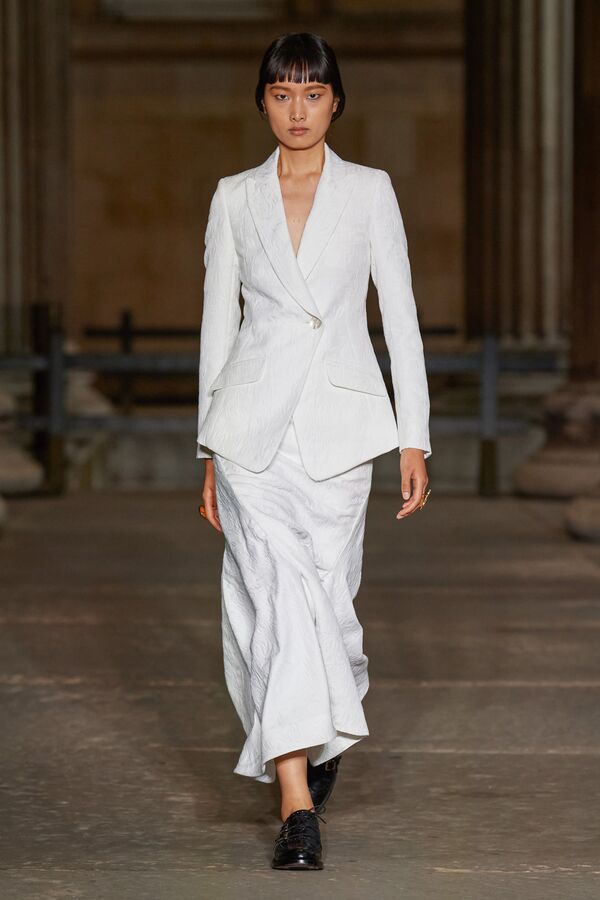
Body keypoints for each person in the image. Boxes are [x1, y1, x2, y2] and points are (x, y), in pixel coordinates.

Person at [196, 31, 431, 870]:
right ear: (262, 102)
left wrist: (413, 435)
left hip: (340, 433)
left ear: (336, 102)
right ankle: (296, 804)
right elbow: (218, 325)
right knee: (275, 601)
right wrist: (208, 451)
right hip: (251, 435)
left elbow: (399, 314)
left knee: (330, 612)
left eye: (313, 93)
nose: (297, 109)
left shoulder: (370, 191)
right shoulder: (234, 197)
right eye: (282, 93)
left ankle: (322, 728)